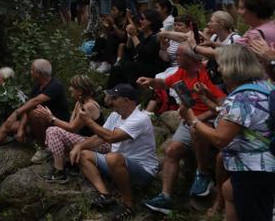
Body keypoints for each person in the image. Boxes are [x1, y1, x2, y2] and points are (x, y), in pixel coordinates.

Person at [177, 45, 274, 221]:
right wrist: (207, 99)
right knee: (229, 190)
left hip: (252, 170)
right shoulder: (262, 86)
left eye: (221, 64)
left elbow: (220, 139)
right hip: (265, 164)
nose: (219, 69)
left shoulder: (241, 98)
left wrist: (192, 118)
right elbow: (239, 119)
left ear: (231, 67)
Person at [137, 44, 226, 213]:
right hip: (189, 117)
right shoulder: (182, 71)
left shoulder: (207, 74)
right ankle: (166, 197)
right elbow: (164, 83)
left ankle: (202, 174)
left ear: (190, 58)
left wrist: (197, 118)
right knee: (172, 150)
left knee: (195, 129)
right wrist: (151, 81)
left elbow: (223, 104)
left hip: (210, 118)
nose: (175, 57)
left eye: (178, 55)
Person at [70, 84, 159, 220]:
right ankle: (105, 195)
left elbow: (111, 137)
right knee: (83, 154)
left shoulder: (140, 119)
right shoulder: (114, 115)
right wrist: (79, 146)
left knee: (112, 157)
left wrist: (87, 121)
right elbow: (99, 138)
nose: (111, 101)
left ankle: (128, 205)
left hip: (143, 170)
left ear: (127, 101)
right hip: (117, 164)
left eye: (115, 98)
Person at [0, 59, 69, 164]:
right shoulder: (37, 87)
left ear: (39, 73)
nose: (30, 72)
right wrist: (20, 129)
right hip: (39, 123)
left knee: (35, 114)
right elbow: (27, 107)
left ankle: (45, 149)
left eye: (32, 70)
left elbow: (34, 102)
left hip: (55, 124)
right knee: (8, 125)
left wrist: (15, 113)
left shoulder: (55, 86)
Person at [33, 75, 106, 182]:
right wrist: (50, 117)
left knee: (52, 130)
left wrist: (51, 118)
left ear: (80, 90)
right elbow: (71, 127)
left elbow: (71, 128)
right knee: (56, 131)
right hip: (84, 139)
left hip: (98, 144)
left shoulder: (89, 106)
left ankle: (59, 172)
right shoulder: (79, 103)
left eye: (72, 86)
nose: (70, 89)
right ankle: (69, 165)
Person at [106, 9, 166, 89]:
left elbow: (145, 53)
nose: (140, 21)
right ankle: (112, 92)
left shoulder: (157, 36)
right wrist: (130, 37)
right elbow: (128, 52)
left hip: (150, 68)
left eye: (142, 19)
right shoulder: (141, 34)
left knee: (128, 67)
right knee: (118, 66)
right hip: (137, 64)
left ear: (151, 21)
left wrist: (133, 36)